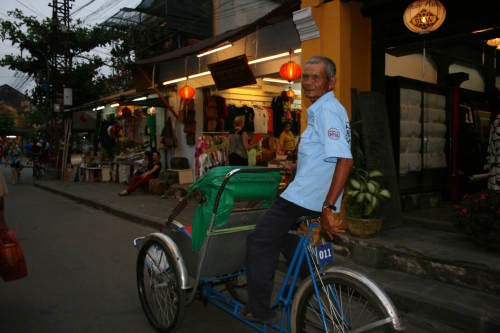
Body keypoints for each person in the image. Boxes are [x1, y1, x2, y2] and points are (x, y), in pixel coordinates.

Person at [241, 56, 354, 324]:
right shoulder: (324, 111)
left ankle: (259, 310)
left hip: (305, 197)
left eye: (316, 77)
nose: (309, 82)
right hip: (308, 193)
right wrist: (296, 166)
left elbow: (345, 159)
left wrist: (327, 207)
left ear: (331, 82)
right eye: (306, 77)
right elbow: (324, 157)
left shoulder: (326, 110)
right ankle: (316, 282)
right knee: (285, 238)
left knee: (258, 242)